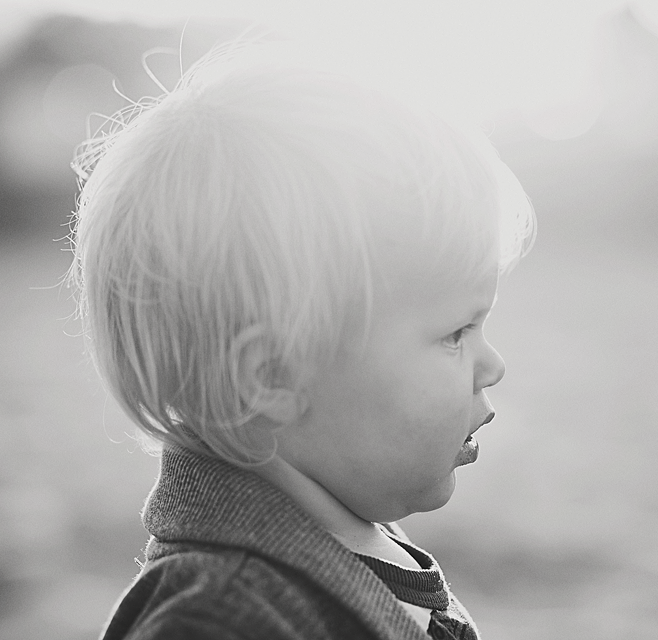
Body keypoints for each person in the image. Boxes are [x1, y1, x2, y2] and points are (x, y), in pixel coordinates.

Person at [67, 40, 535, 640]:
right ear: (271, 377)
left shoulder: (351, 534)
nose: (492, 365)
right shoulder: (220, 618)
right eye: (455, 333)